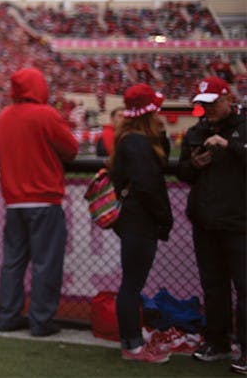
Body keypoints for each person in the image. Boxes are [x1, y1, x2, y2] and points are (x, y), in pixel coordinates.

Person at [0, 67, 79, 337]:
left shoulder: (5, 116)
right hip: (44, 200)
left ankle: (7, 315)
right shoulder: (46, 114)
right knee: (46, 264)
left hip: (14, 202)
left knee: (13, 262)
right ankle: (41, 320)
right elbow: (71, 149)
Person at [176, 77, 246, 373]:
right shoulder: (196, 131)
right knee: (213, 287)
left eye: (213, 103)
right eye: (203, 104)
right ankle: (216, 341)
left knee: (245, 288)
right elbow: (182, 171)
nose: (208, 109)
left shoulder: (243, 127)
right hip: (206, 222)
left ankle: (244, 349)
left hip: (240, 222)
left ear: (228, 99)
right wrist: (195, 165)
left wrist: (229, 146)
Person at [111, 83, 174, 363]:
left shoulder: (132, 138)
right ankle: (132, 345)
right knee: (132, 284)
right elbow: (149, 185)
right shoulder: (136, 142)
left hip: (135, 220)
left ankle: (132, 340)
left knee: (131, 282)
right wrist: (165, 219)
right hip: (140, 221)